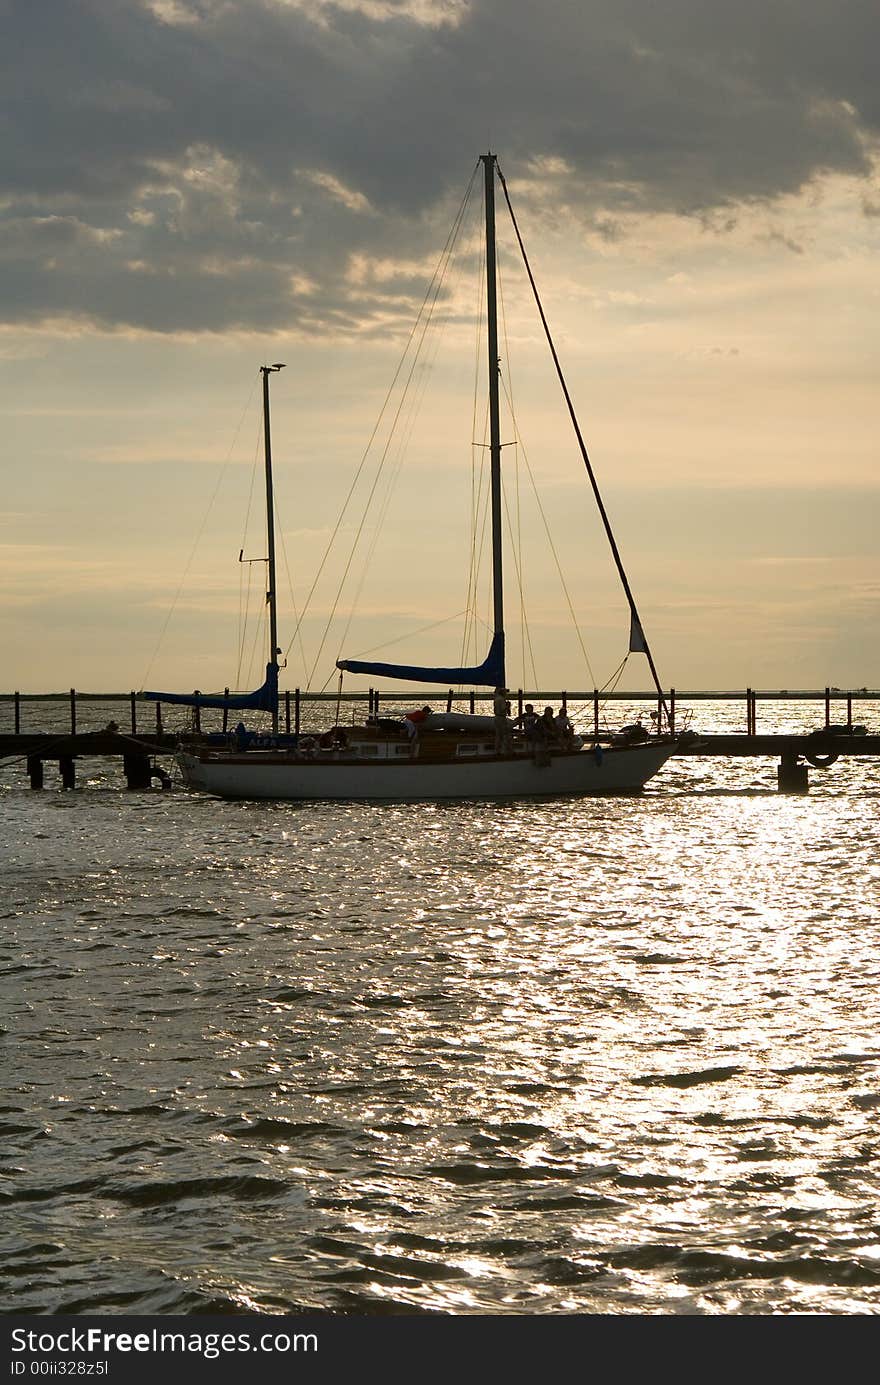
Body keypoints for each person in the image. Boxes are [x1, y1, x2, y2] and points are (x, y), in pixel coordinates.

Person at [493, 687, 513, 754]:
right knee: (505, 734)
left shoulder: (496, 699)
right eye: (505, 692)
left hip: (496, 717)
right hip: (501, 718)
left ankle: (497, 750)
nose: (506, 694)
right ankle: (507, 750)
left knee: (498, 735)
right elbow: (502, 709)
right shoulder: (501, 700)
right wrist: (508, 706)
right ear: (503, 692)